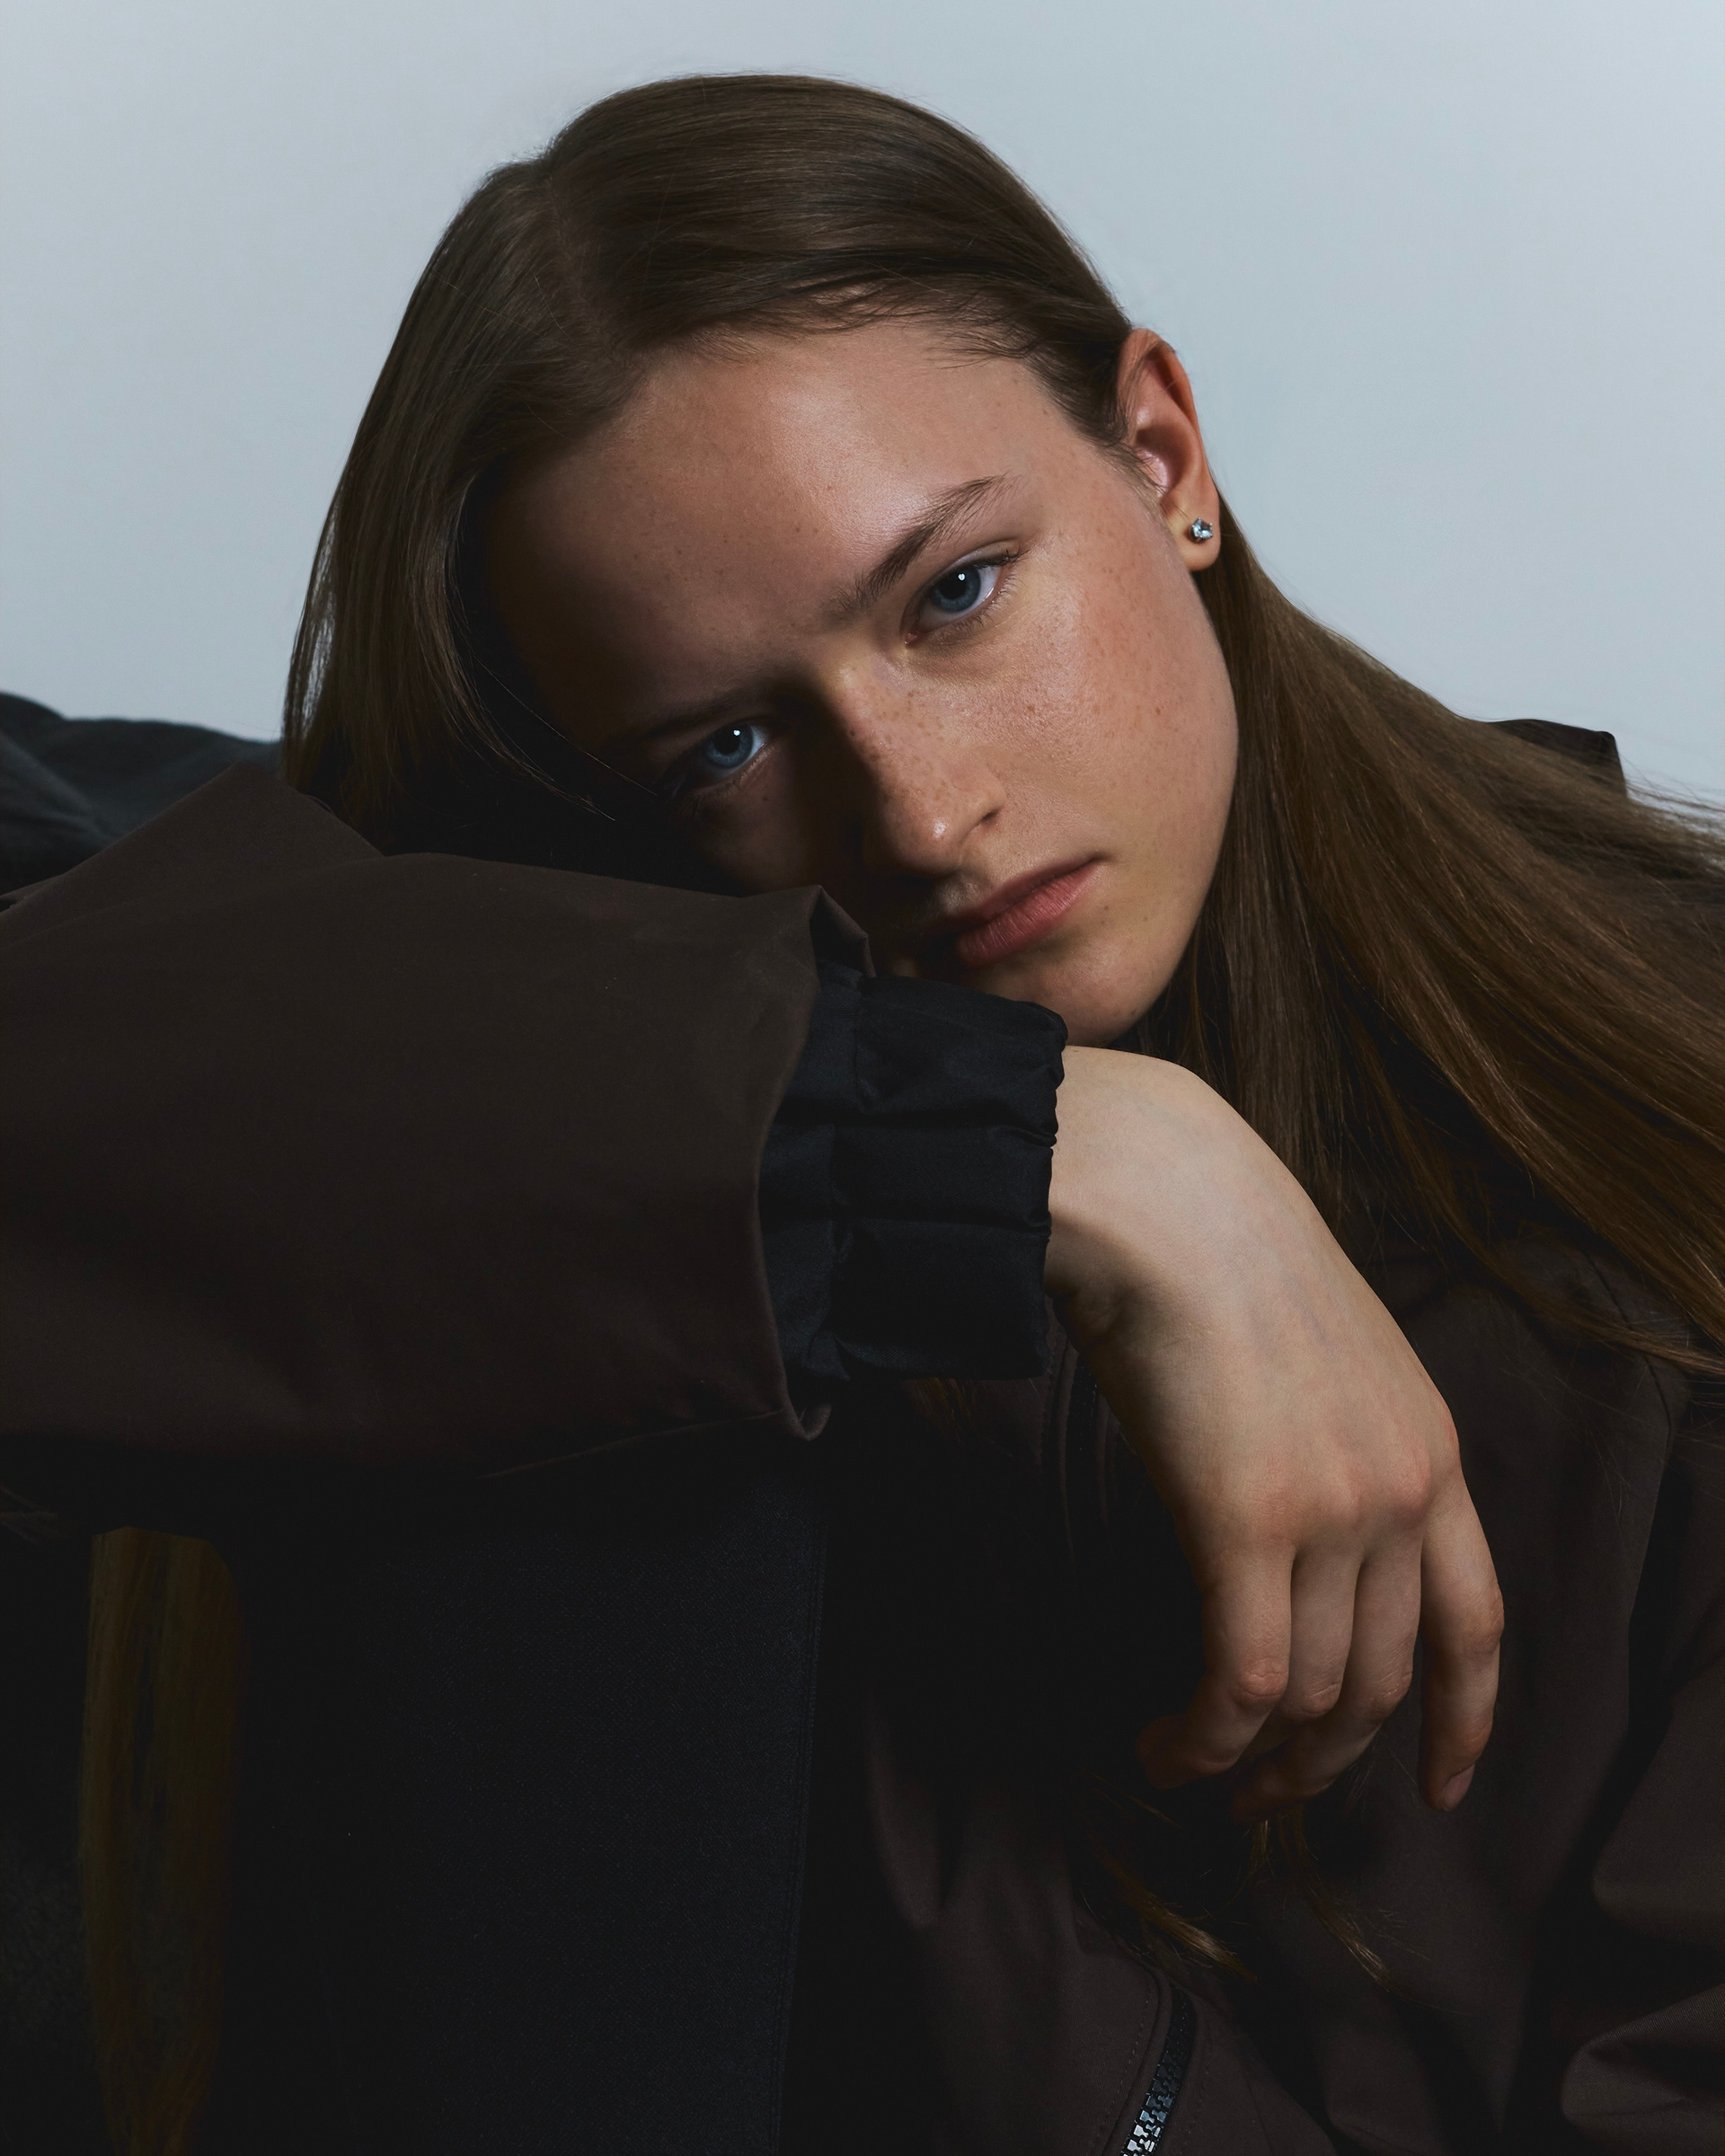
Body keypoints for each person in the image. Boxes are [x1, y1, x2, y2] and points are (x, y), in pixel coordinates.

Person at [3, 72, 1720, 2156]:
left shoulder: (1669, 1127)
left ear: (1163, 454)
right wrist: (1038, 1152)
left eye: (955, 595)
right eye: (725, 743)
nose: (917, 815)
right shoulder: (555, 1025)